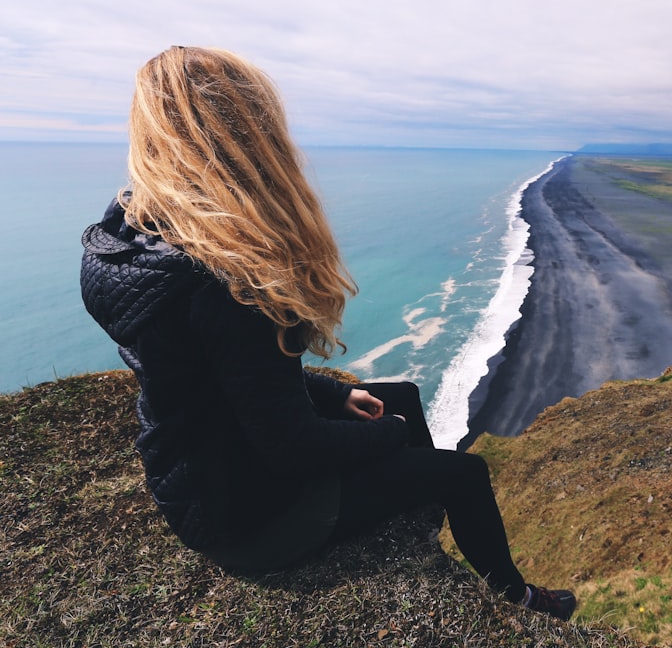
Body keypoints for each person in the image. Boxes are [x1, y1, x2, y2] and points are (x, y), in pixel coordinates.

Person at [80, 46, 575, 620]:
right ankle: (519, 597)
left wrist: (337, 393)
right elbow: (292, 449)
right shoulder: (227, 276)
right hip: (254, 519)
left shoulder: (131, 245)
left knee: (405, 396)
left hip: (195, 480)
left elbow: (219, 372)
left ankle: (413, 510)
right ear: (253, 138)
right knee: (464, 472)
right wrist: (389, 436)